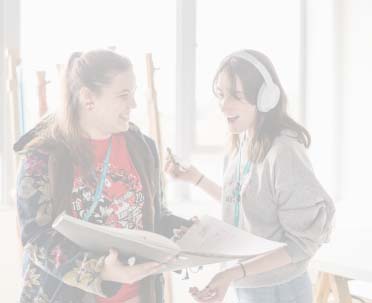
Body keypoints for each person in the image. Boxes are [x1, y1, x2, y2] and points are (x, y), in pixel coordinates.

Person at [14, 49, 192, 303]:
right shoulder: (43, 156)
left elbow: (154, 216)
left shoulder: (142, 148)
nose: (133, 104)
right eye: (123, 95)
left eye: (133, 93)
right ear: (88, 98)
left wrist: (188, 232)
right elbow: (36, 238)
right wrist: (99, 271)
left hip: (139, 295)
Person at [165, 49, 335, 303]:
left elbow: (301, 244)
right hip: (250, 284)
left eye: (236, 95)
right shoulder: (242, 142)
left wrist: (233, 273)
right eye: (221, 95)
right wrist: (196, 179)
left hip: (281, 289)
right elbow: (248, 204)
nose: (224, 105)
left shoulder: (285, 152)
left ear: (265, 98)